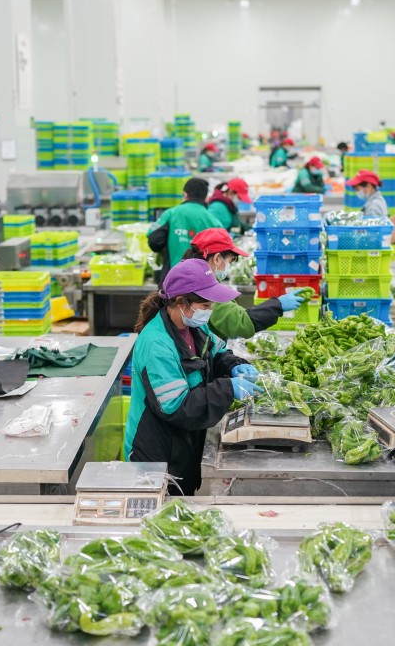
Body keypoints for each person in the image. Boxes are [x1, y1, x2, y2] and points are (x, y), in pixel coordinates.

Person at [124, 259, 262, 495]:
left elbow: (217, 353)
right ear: (180, 302)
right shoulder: (156, 344)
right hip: (156, 453)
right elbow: (177, 407)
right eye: (205, 304)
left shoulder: (194, 327)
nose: (209, 310)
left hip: (183, 441)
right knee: (163, 518)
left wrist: (235, 366)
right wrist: (228, 388)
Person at [182, 228, 306, 340]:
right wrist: (277, 305)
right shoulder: (206, 290)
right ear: (217, 258)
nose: (230, 265)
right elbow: (242, 323)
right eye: (230, 260)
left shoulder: (187, 276)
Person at [147, 177, 219, 284]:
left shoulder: (170, 214)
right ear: (205, 198)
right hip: (202, 283)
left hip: (173, 281)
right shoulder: (214, 222)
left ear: (185, 194)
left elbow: (154, 240)